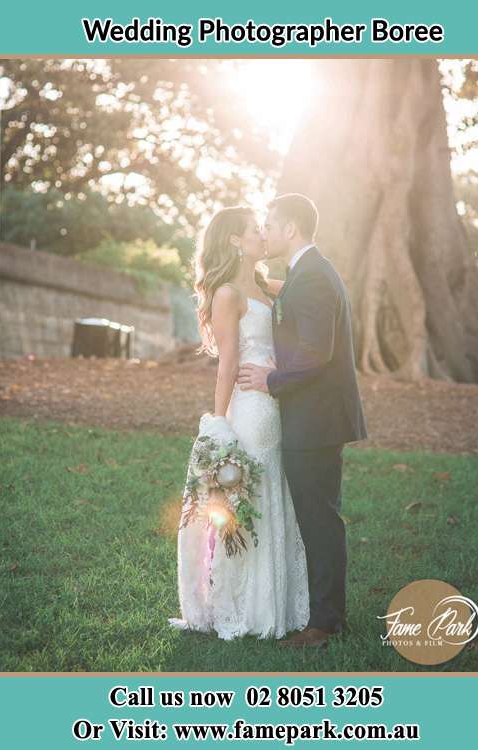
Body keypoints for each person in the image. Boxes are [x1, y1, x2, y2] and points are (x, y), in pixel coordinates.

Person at [168, 206, 309, 640]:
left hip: (278, 400)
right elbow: (227, 362)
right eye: (254, 231)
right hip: (251, 408)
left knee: (272, 497)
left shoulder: (269, 287)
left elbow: (312, 290)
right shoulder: (229, 293)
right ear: (235, 241)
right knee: (249, 503)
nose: (262, 236)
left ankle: (275, 602)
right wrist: (218, 423)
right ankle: (245, 606)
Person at [238, 193, 367, 648]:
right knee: (319, 517)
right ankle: (325, 615)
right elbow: (290, 310)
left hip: (315, 420)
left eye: (270, 225)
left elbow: (316, 353)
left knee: (318, 521)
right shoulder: (306, 274)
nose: (265, 232)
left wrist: (270, 378)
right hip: (315, 417)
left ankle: (324, 624)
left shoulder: (312, 277)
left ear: (290, 228)